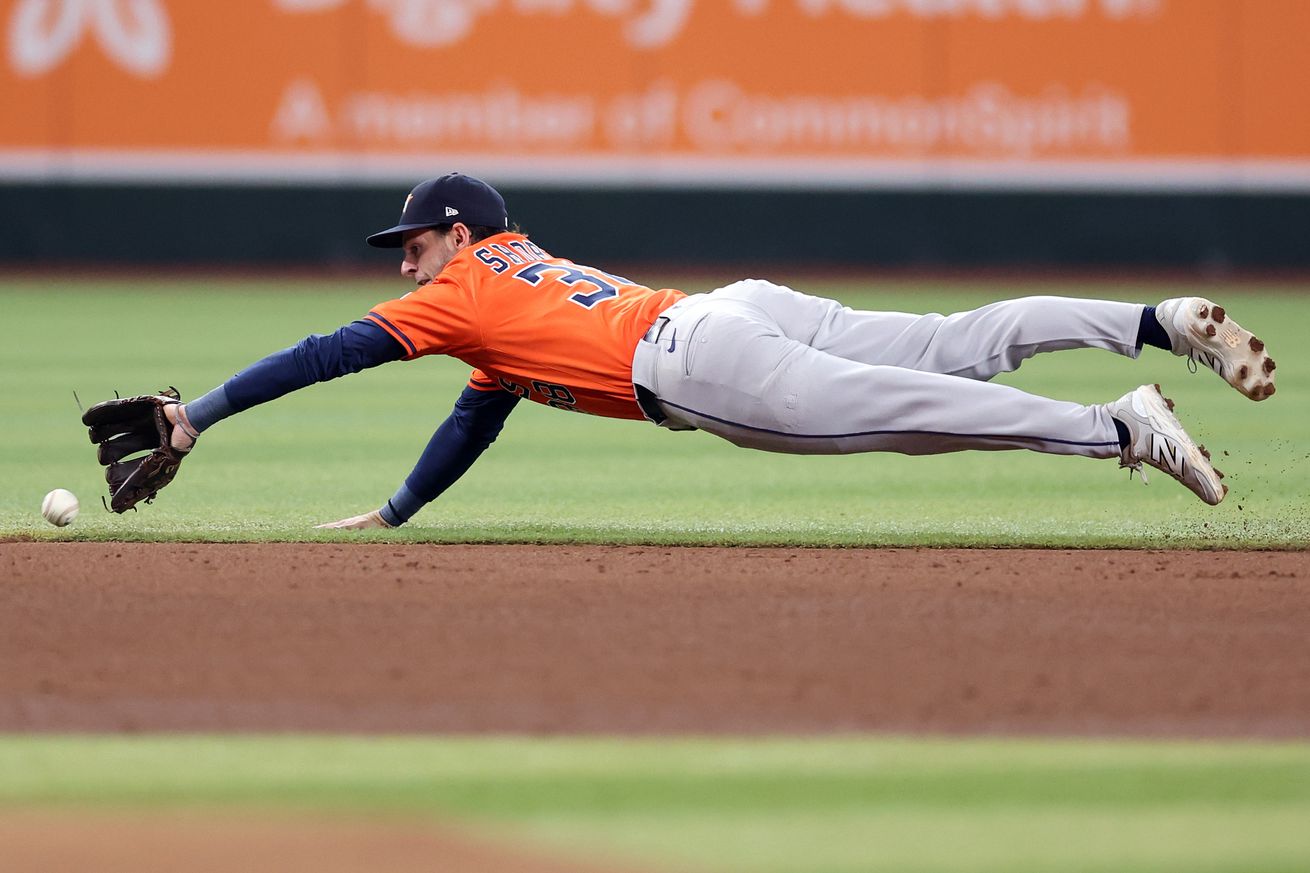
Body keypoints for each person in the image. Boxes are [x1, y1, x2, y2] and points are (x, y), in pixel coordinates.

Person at [158, 173, 1276, 526]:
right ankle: (1153, 321)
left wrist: (195, 415)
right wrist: (398, 512)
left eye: (410, 242)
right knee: (951, 342)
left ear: (456, 234)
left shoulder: (457, 290)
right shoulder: (518, 267)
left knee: (913, 410)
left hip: (698, 367)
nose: (402, 262)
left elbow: (322, 353)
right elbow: (476, 413)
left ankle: (1118, 427)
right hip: (732, 309)